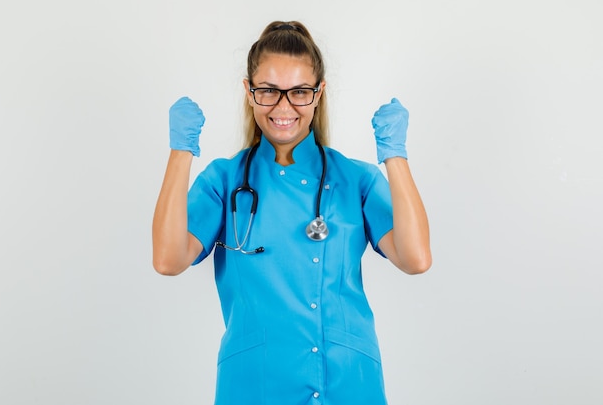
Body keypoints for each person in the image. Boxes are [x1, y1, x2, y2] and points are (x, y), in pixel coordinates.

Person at [152, 20, 431, 405]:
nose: (284, 107)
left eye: (299, 91)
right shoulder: (225, 180)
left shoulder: (356, 179)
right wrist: (181, 150)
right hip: (255, 387)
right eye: (268, 90)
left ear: (319, 94)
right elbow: (168, 259)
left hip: (349, 385)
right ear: (249, 92)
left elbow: (415, 259)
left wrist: (394, 155)